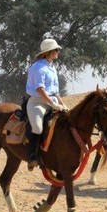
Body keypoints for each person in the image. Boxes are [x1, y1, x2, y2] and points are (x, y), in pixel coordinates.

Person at [25, 38, 68, 171]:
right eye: (56, 50)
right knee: (37, 127)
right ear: (48, 52)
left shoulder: (52, 68)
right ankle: (32, 156)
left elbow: (55, 91)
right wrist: (53, 105)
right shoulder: (38, 67)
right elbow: (40, 89)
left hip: (52, 102)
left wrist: (62, 104)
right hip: (37, 102)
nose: (58, 51)